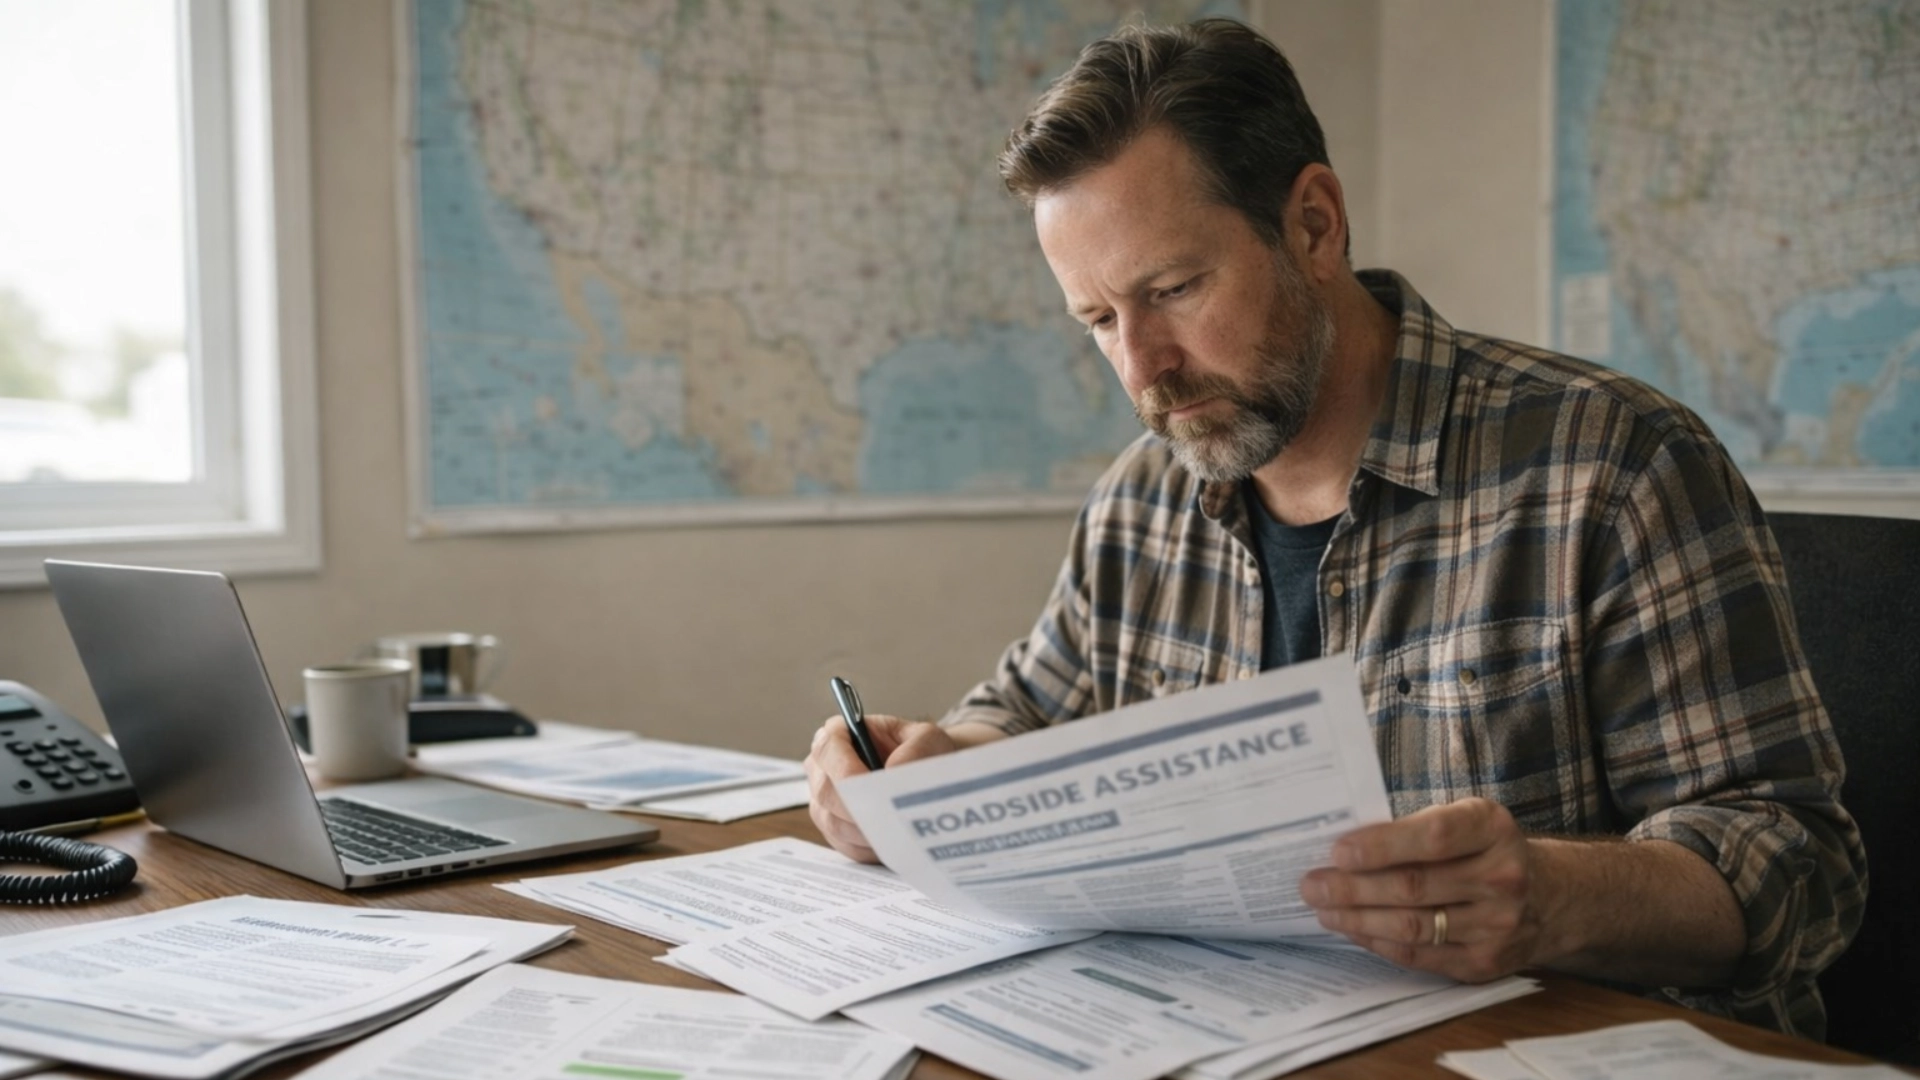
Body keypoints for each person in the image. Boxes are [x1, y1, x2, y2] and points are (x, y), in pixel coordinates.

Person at [804, 17, 1864, 1039]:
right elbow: (1025, 710)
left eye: (1172, 289)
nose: (1142, 370)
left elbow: (1799, 867)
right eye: (1097, 320)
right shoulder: (1143, 499)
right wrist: (937, 765)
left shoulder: (1613, 466)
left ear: (1313, 225)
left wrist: (1552, 895)